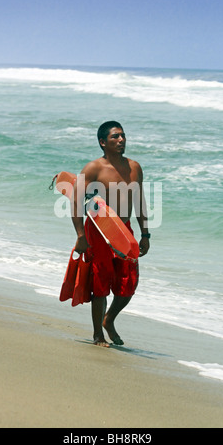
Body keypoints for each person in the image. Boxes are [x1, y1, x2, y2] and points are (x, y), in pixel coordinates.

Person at [72, 121, 150, 347]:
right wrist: (80, 236)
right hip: (99, 230)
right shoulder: (93, 169)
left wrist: (145, 234)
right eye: (115, 136)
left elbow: (140, 201)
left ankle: (109, 320)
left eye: (123, 136)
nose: (121, 140)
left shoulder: (134, 167)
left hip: (124, 230)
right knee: (100, 282)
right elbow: (76, 202)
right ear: (102, 142)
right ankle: (98, 335)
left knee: (129, 284)